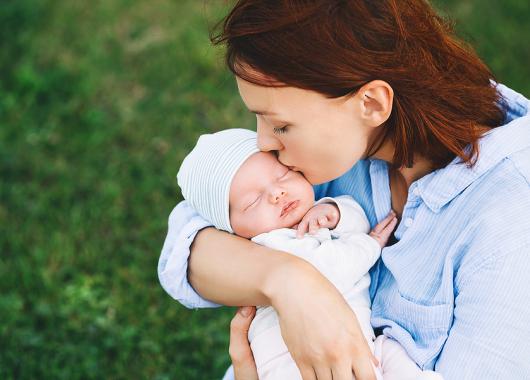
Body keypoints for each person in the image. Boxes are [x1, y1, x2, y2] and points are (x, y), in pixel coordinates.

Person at [158, 1, 530, 379]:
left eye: (281, 126)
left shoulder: (510, 225)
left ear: (371, 102)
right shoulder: (336, 147)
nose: (264, 143)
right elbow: (186, 243)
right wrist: (290, 284)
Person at [174, 128, 440, 379]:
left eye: (282, 176)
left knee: (392, 355)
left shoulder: (310, 215)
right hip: (293, 365)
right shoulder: (272, 243)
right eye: (253, 201)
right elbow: (333, 270)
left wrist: (335, 213)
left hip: (355, 345)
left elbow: (356, 217)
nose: (277, 193)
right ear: (232, 229)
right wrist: (370, 245)